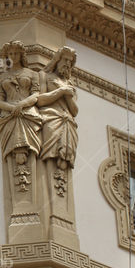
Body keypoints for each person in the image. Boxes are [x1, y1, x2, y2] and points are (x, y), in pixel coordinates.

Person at [0, 41, 42, 183]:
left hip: (28, 113)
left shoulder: (32, 74)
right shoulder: (0, 78)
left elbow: (36, 94)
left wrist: (22, 104)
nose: (13, 56)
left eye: (16, 53)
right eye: (10, 54)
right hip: (9, 115)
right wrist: (13, 108)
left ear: (21, 55)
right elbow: (0, 101)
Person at [37, 47, 78, 175]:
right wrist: (60, 91)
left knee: (65, 158)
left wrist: (67, 94)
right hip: (51, 119)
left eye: (70, 62)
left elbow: (75, 111)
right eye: (65, 60)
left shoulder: (70, 84)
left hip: (67, 123)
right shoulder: (45, 76)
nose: (67, 64)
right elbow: (40, 100)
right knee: (50, 155)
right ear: (57, 60)